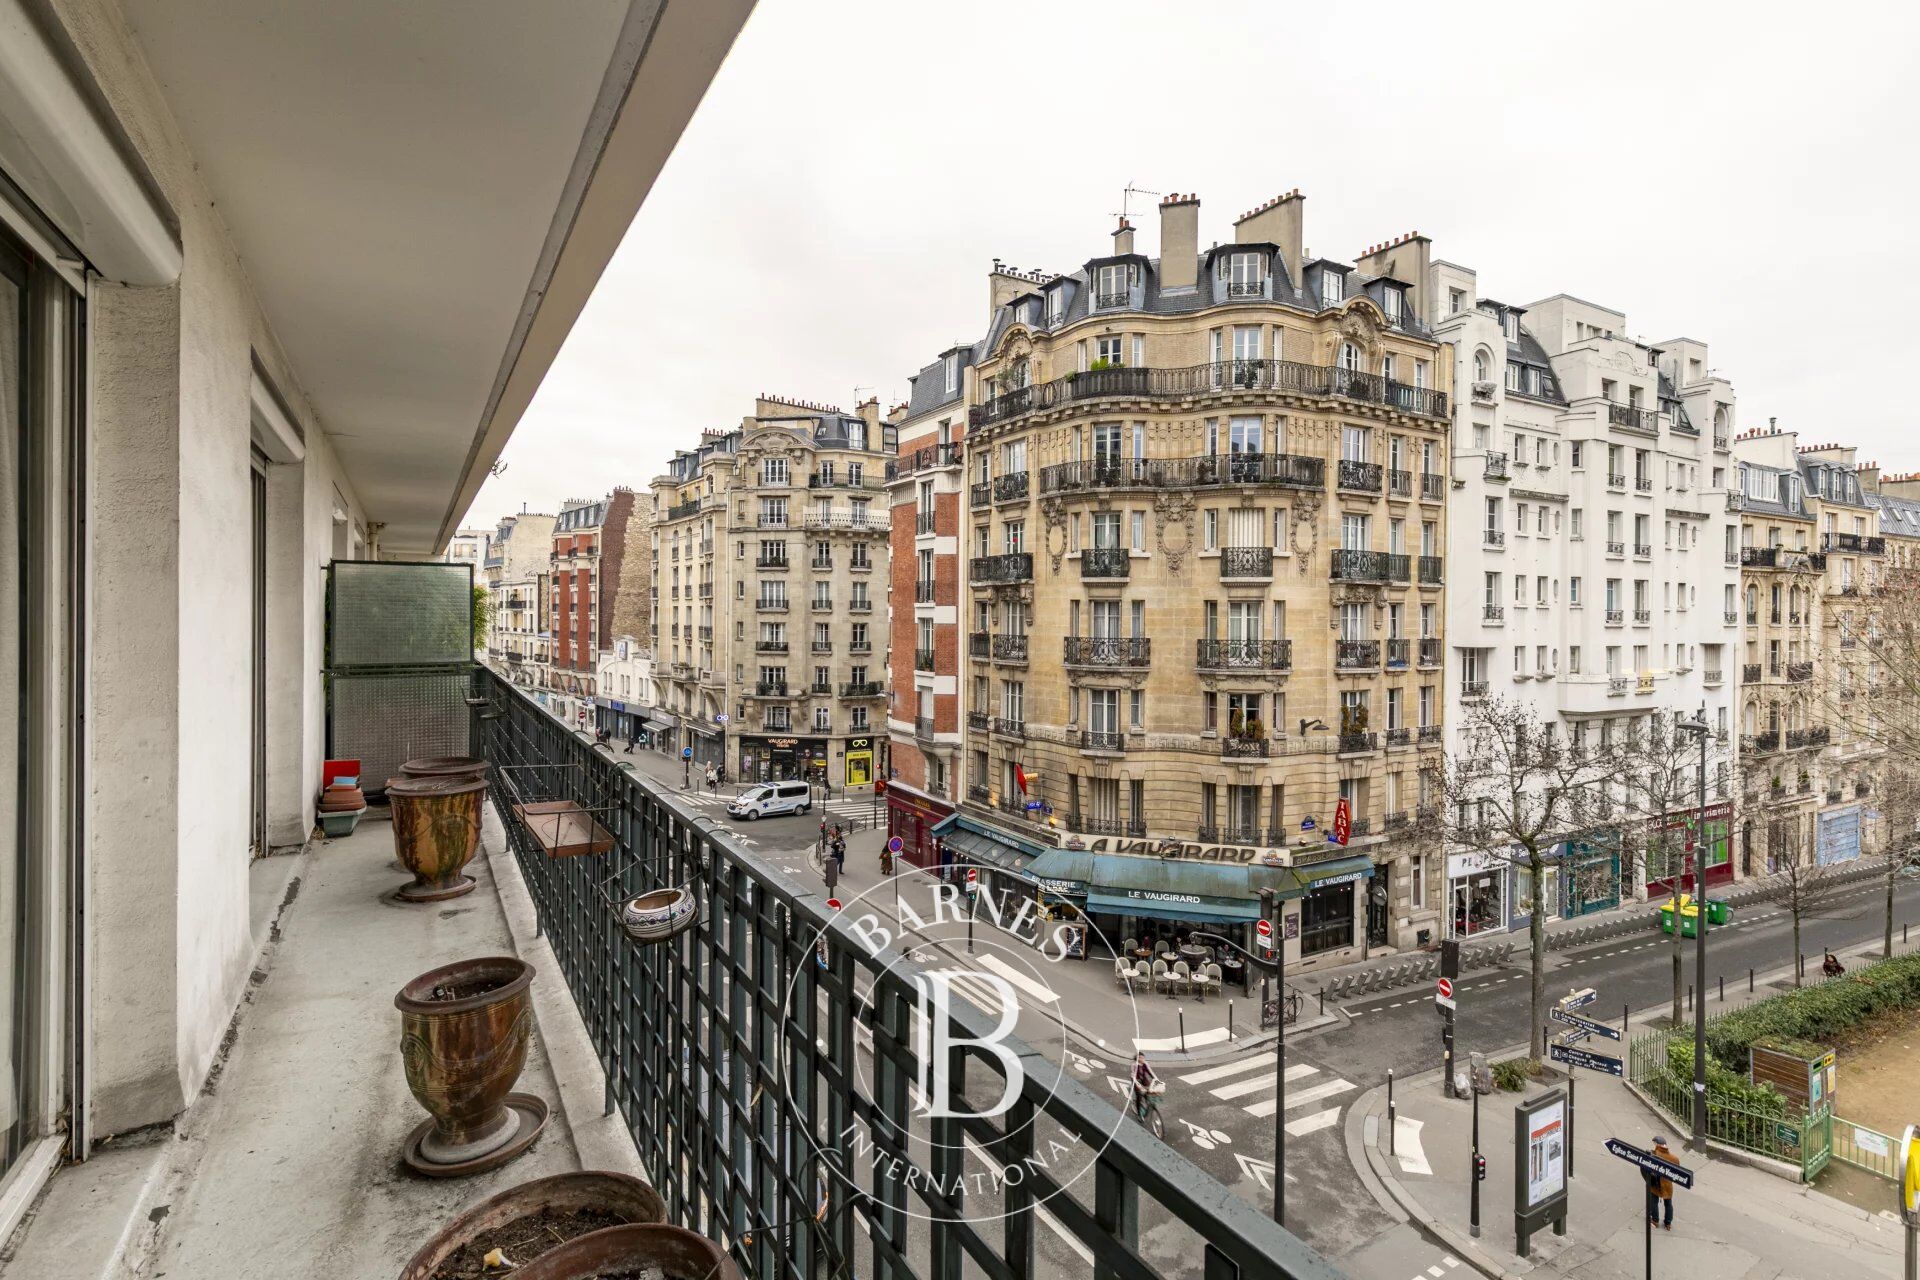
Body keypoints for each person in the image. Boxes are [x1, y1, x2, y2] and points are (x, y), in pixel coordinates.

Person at [1645, 1136, 1675, 1229]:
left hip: (1656, 1183)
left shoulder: (1654, 1154)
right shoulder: (1674, 1158)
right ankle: (1668, 1224)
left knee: (1654, 1201)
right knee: (1668, 1203)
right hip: (1667, 1184)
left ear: (1657, 1144)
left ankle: (1655, 1221)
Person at [1130, 1052, 1158, 1120]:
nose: (1143, 1059)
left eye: (1143, 1058)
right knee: (1139, 1096)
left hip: (1143, 1080)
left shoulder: (1145, 1064)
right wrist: (1139, 1086)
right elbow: (1133, 1076)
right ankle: (1139, 1114)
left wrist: (1156, 1079)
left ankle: (1148, 1102)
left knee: (1150, 1092)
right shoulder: (1134, 1065)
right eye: (1141, 1058)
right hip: (1136, 1081)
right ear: (1137, 1058)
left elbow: (1150, 1072)